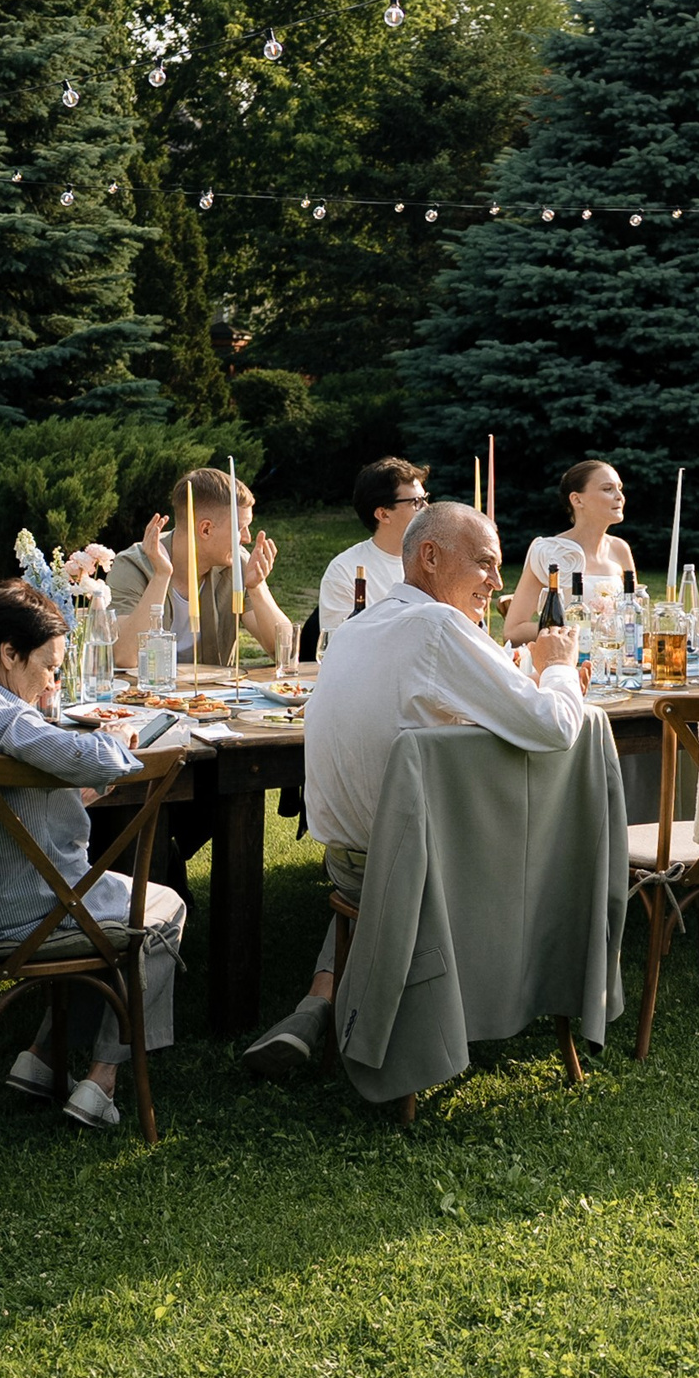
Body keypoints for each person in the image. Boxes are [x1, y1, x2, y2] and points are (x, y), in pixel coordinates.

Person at [241, 503, 585, 1077]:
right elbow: (554, 726)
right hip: (417, 872)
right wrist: (558, 666)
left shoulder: (360, 627)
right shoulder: (438, 626)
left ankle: (318, 1004)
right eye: (484, 564)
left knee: (398, 839)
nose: (498, 583)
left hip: (347, 862)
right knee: (569, 821)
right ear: (430, 556)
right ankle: (570, 985)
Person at [0, 579, 183, 1130]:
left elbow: (11, 793)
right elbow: (75, 751)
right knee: (159, 909)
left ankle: (43, 1058)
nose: (53, 685)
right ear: (8, 653)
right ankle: (103, 1080)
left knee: (90, 906)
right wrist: (118, 743)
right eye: (49, 668)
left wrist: (83, 778)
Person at [109, 468, 291, 669]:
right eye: (240, 528)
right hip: (146, 696)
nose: (247, 538)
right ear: (205, 529)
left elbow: (285, 650)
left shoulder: (237, 563)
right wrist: (161, 576)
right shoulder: (132, 565)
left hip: (212, 698)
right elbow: (124, 657)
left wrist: (257, 588)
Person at [502, 460, 637, 644]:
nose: (620, 496)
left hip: (616, 662)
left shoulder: (620, 549)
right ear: (577, 499)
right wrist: (575, 629)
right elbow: (513, 631)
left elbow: (634, 616)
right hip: (567, 664)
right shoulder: (550, 551)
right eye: (608, 489)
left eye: (620, 488)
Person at [317, 457, 428, 639]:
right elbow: (340, 648)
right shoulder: (345, 571)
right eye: (416, 502)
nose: (426, 508)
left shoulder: (437, 562)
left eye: (425, 498)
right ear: (383, 514)